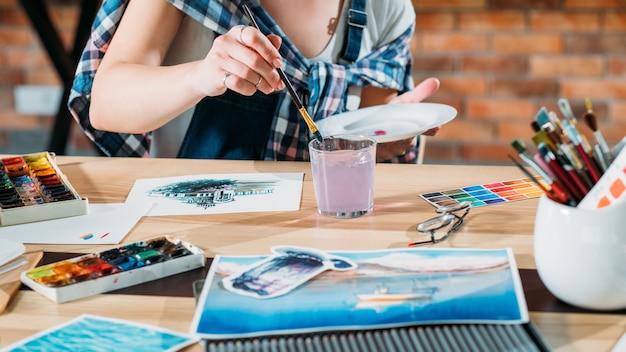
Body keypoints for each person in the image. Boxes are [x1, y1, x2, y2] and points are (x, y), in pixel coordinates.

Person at [69, 0, 440, 163]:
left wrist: (388, 131)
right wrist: (203, 74)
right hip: (192, 230)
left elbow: (370, 139)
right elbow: (106, 104)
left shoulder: (386, 7)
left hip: (323, 228)